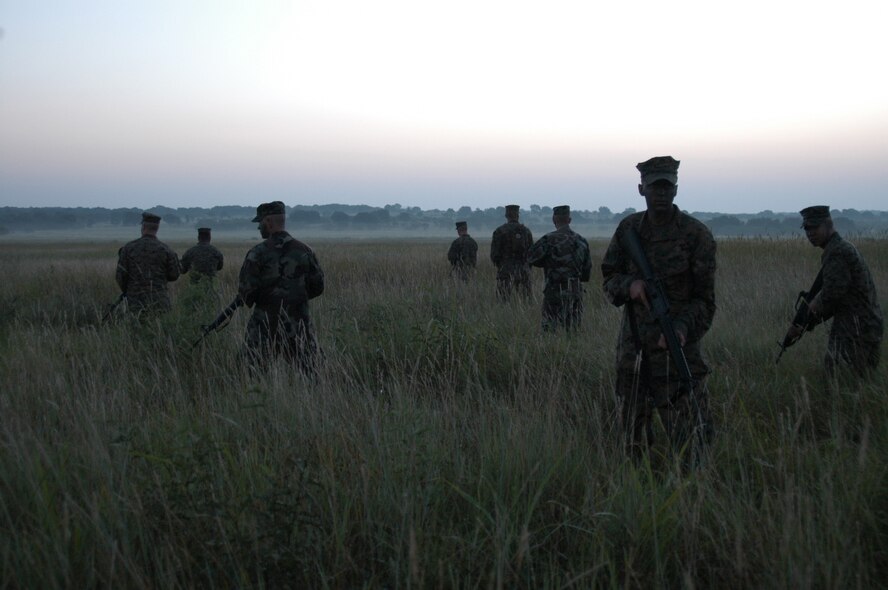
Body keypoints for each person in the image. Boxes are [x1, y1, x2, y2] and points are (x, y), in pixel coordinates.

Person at [601, 156, 716, 457]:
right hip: (634, 354)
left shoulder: (696, 235)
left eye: (667, 187)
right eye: (655, 187)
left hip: (678, 354)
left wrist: (681, 328)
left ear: (676, 189)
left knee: (692, 444)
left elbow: (706, 301)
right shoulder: (629, 230)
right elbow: (609, 278)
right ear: (642, 190)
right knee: (632, 443)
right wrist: (631, 286)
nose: (661, 194)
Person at [787, 206, 883, 377]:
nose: (810, 233)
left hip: (857, 329)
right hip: (863, 326)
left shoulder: (837, 252)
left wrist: (808, 315)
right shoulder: (839, 247)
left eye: (815, 227)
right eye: (807, 228)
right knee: (856, 382)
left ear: (828, 224)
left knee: (839, 381)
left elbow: (832, 295)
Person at [237, 201, 325, 373]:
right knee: (310, 375)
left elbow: (246, 293)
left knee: (251, 375)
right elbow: (318, 287)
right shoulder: (305, 250)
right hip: (299, 324)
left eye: (260, 223)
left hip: (263, 326)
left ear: (269, 222)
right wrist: (295, 298)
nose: (259, 228)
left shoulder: (257, 253)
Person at [527, 205, 592, 330]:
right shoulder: (581, 241)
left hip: (553, 291)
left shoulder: (548, 239)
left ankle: (552, 350)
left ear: (553, 220)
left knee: (549, 331)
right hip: (574, 291)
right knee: (573, 332)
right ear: (569, 220)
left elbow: (531, 258)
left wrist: (547, 263)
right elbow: (586, 273)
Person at [115, 211, 180, 315]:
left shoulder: (128, 248)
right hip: (160, 301)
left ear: (143, 227)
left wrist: (130, 290)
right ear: (157, 229)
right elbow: (174, 275)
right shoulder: (166, 250)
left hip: (135, 302)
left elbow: (120, 276)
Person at [490, 204, 534, 301]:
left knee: (502, 302)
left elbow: (494, 255)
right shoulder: (526, 231)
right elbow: (532, 254)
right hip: (523, 270)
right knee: (525, 302)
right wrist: (527, 266)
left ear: (506, 215)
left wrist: (501, 265)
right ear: (518, 215)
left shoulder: (500, 231)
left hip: (505, 270)